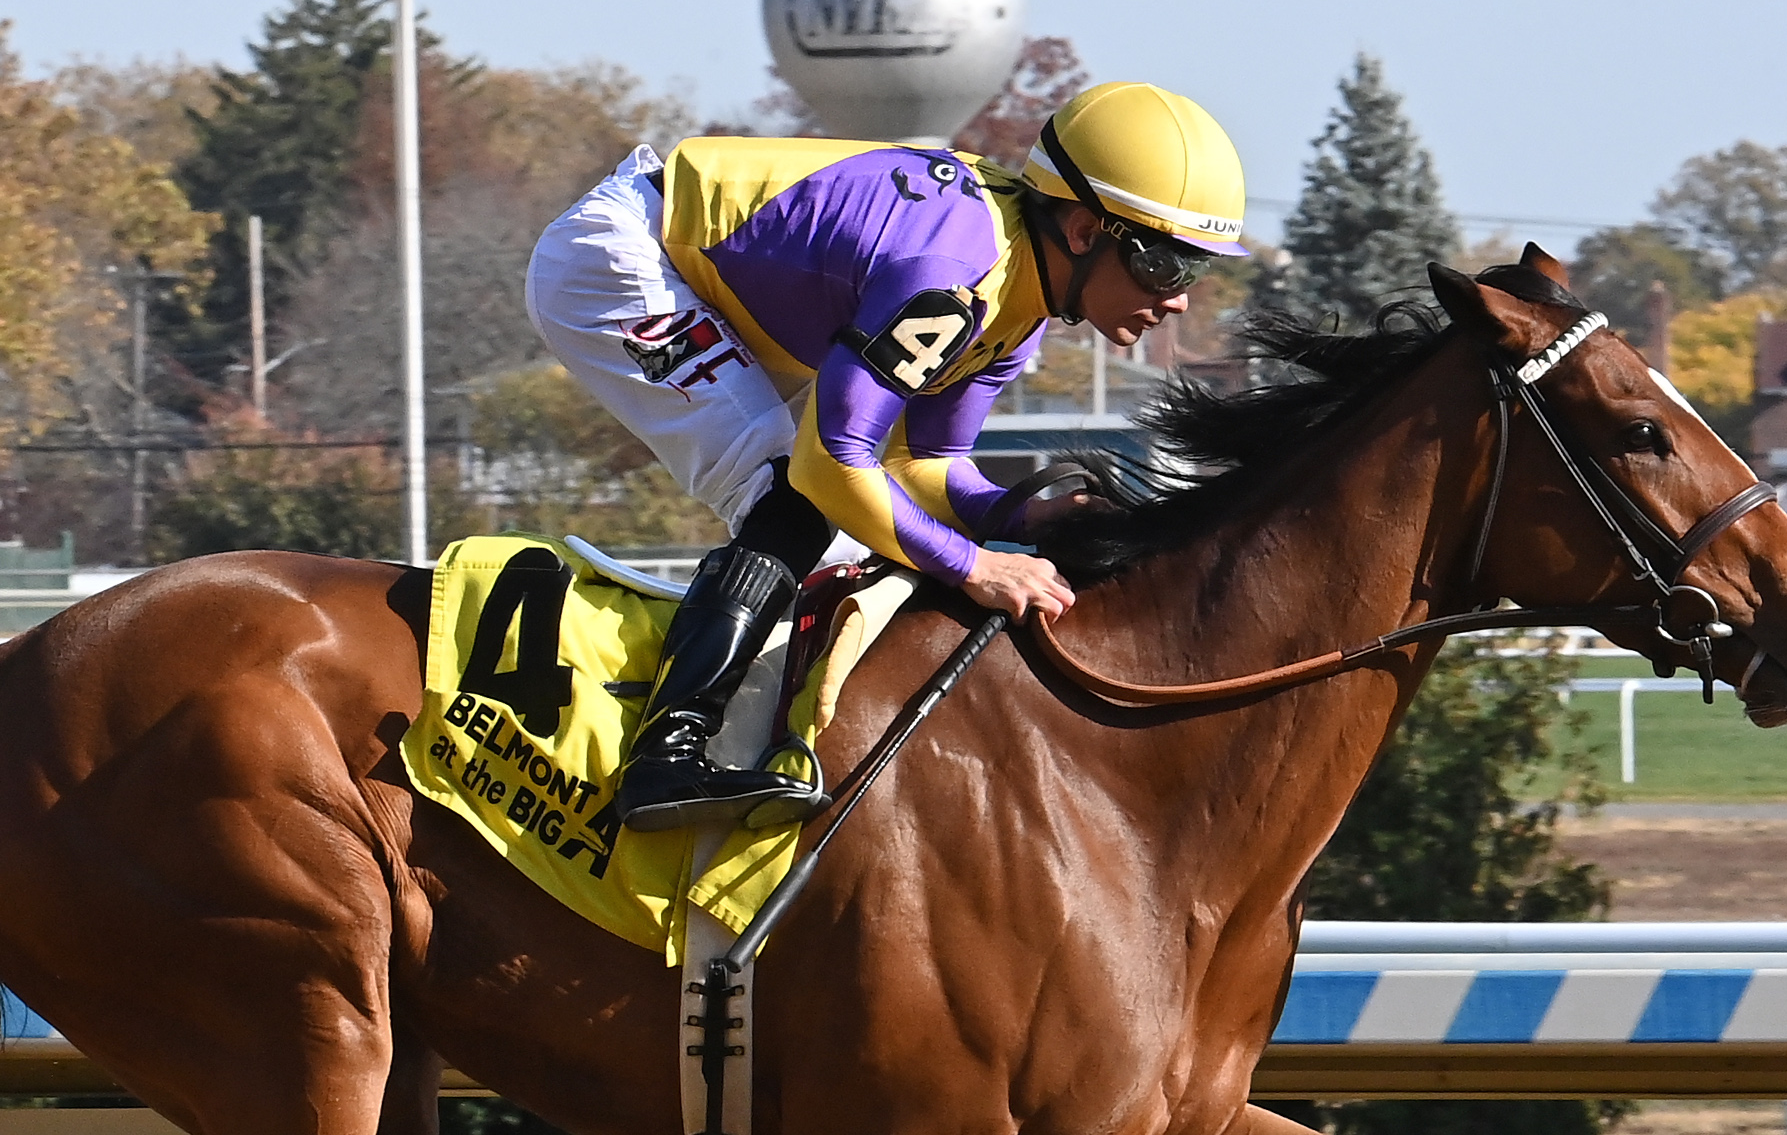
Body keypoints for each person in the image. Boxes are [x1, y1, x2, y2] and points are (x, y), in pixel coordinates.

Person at [525, 81, 1248, 830]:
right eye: (1165, 266)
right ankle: (665, 758)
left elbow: (919, 464)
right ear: (1082, 229)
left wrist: (1021, 517)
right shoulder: (954, 279)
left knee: (847, 521)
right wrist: (975, 566)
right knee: (791, 499)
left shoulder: (1020, 302)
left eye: (1196, 270)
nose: (1179, 299)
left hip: (703, 276)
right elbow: (830, 464)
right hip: (622, 259)